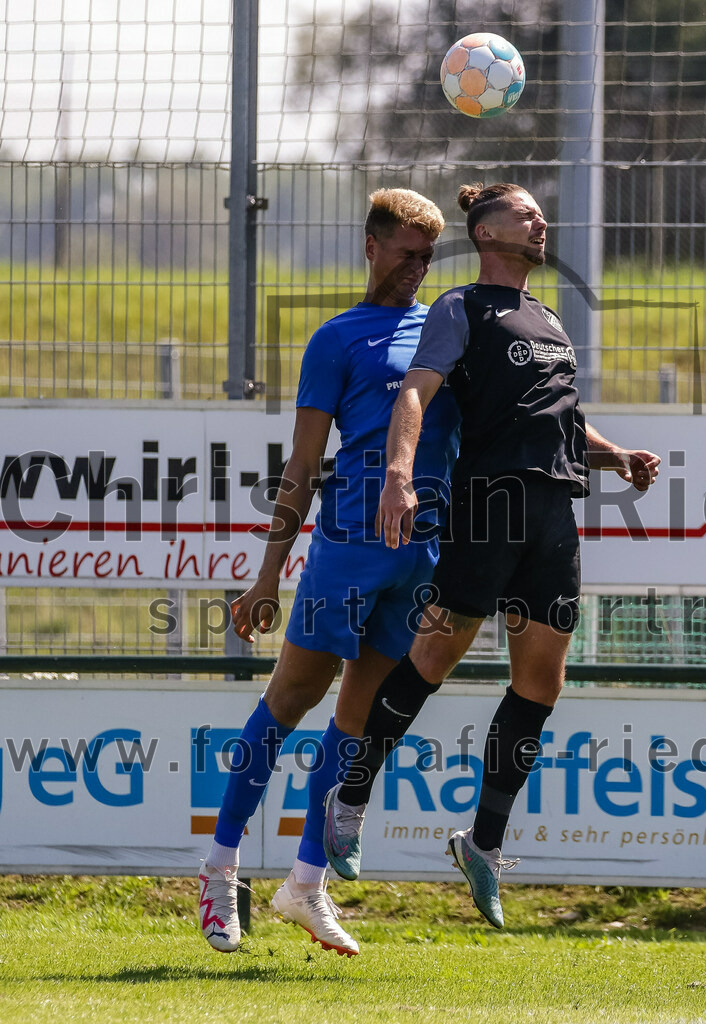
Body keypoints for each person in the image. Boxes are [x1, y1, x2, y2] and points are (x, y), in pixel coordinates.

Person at [322, 182, 661, 928]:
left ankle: (482, 843)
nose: (543, 221)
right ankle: (349, 795)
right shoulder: (459, 308)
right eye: (526, 212)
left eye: (543, 212)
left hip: (552, 513)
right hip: (488, 505)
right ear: (485, 232)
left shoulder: (548, 319)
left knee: (540, 683)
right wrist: (399, 475)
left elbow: (562, 423)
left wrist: (618, 457)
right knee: (432, 661)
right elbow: (415, 393)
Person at [198, 188, 459, 955]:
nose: (417, 270)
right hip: (347, 546)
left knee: (358, 721)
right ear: (371, 246)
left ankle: (305, 885)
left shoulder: (447, 330)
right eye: (407, 253)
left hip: (424, 554)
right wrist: (267, 573)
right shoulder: (337, 339)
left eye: (428, 258)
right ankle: (219, 872)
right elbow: (304, 465)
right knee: (287, 702)